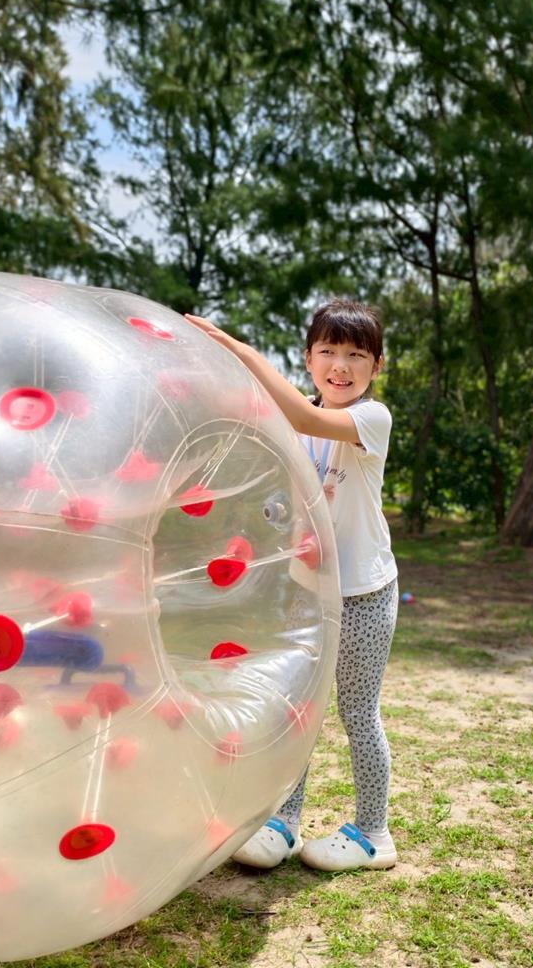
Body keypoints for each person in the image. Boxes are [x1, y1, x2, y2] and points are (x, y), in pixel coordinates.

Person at [185, 300, 399, 871]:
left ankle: (374, 834)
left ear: (376, 366)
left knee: (358, 712)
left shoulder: (371, 419)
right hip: (308, 591)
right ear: (308, 359)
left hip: (364, 593)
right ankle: (283, 820)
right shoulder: (297, 416)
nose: (340, 365)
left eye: (356, 355)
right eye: (328, 351)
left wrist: (235, 348)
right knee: (296, 708)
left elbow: (306, 421)